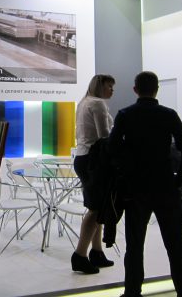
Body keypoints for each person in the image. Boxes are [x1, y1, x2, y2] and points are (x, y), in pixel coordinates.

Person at [108, 71, 182, 297]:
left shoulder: (125, 114)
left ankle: (132, 292)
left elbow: (112, 149)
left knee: (135, 245)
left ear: (135, 89)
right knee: (176, 245)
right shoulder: (169, 114)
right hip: (165, 185)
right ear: (157, 89)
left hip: (136, 188)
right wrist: (179, 178)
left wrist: (125, 171)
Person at [71, 74, 116, 274]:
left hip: (83, 157)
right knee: (96, 209)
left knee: (97, 207)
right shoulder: (98, 104)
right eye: (109, 86)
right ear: (99, 86)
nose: (112, 90)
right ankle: (80, 255)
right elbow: (104, 136)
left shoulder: (84, 103)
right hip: (94, 160)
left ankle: (96, 252)